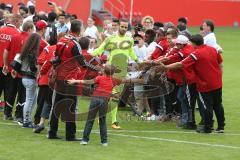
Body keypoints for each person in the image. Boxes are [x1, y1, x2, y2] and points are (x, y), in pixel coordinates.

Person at [159, 34, 225, 133]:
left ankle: (207, 127)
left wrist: (165, 67)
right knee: (218, 105)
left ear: (194, 43)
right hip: (217, 83)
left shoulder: (196, 54)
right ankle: (220, 127)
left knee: (207, 106)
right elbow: (220, 63)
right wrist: (219, 76)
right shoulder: (213, 49)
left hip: (204, 85)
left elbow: (180, 64)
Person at [67, 65, 144, 146]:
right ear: (113, 73)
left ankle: (84, 140)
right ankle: (104, 142)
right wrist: (140, 80)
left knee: (90, 121)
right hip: (104, 101)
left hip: (95, 100)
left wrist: (75, 81)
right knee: (102, 122)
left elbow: (88, 82)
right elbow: (127, 80)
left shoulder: (99, 78)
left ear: (104, 71)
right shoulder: (114, 80)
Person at [48, 20, 99, 141]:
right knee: (70, 106)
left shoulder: (61, 39)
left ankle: (52, 132)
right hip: (70, 78)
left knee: (56, 105)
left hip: (59, 77)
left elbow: (56, 56)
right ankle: (70, 135)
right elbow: (83, 63)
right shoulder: (75, 43)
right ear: (79, 29)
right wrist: (96, 68)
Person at [92, 18, 138, 129]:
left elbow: (131, 52)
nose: (123, 28)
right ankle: (107, 118)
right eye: (122, 26)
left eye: (125, 27)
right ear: (118, 26)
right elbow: (100, 49)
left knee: (115, 97)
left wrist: (137, 60)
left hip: (122, 71)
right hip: (110, 71)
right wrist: (90, 54)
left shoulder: (129, 39)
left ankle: (112, 120)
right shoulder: (111, 38)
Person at [3, 21, 34, 124]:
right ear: (29, 29)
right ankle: (18, 115)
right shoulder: (29, 40)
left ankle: (7, 113)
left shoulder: (14, 37)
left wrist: (6, 64)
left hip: (12, 70)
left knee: (10, 92)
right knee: (22, 94)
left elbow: (6, 52)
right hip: (23, 72)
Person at [0, 14, 22, 120]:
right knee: (9, 90)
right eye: (20, 22)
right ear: (16, 21)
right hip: (9, 66)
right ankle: (7, 113)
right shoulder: (17, 34)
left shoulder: (1, 30)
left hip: (2, 65)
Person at [20, 33, 41, 128]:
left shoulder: (25, 50)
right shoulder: (32, 52)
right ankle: (26, 120)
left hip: (25, 77)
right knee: (30, 100)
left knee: (31, 99)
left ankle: (27, 119)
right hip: (30, 78)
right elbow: (33, 68)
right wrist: (39, 67)